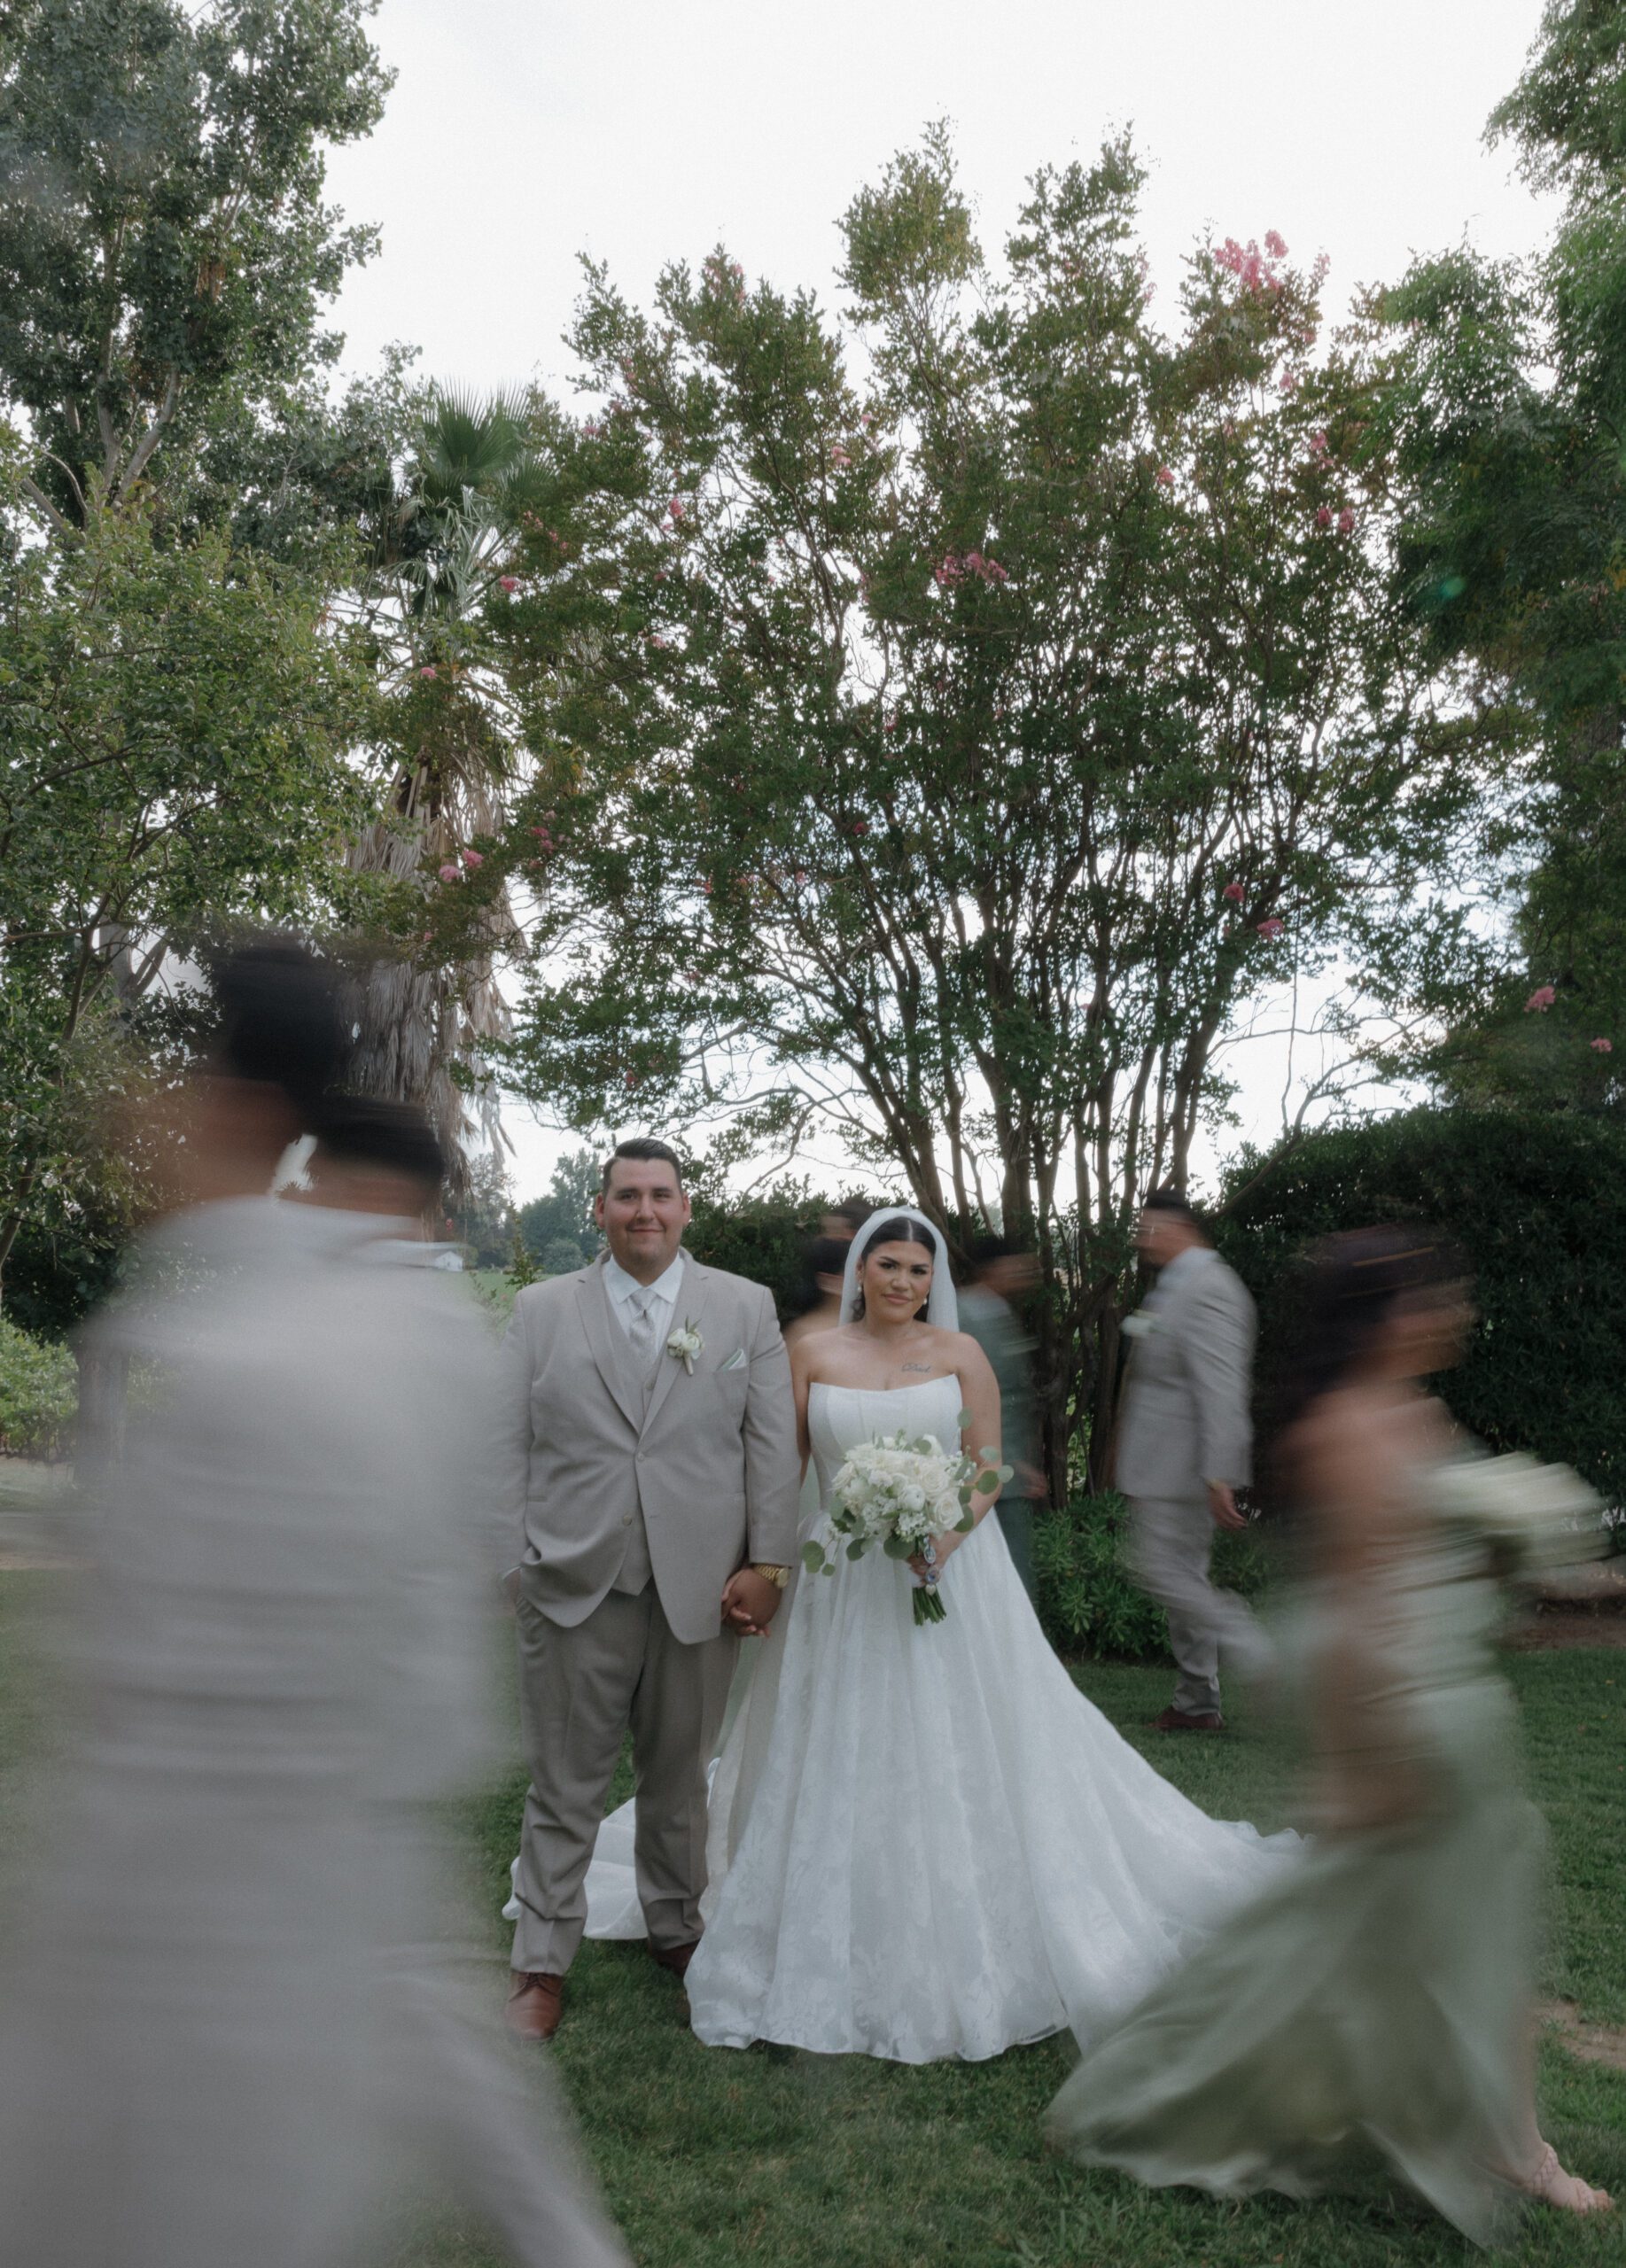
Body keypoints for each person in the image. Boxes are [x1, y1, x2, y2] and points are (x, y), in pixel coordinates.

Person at [0, 944, 628, 2268]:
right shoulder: (409, 1327)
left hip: (212, 1897)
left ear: (224, 1104)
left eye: (159, 1080)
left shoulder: (238, 1355)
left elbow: (163, 1685)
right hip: (356, 1815)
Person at [1047, 1227, 1612, 2241]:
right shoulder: (1347, 1431)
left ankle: (1487, 2126)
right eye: (1431, 1296)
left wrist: (1514, 1559)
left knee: (1422, 1921)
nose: (1451, 1312)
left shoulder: (1417, 1414)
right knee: (1372, 1924)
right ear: (1382, 1317)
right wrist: (1359, 1762)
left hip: (1445, 1679)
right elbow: (1355, 1609)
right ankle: (1502, 2141)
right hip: (1399, 1699)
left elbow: (1437, 1553)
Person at [679, 1208, 1297, 2064]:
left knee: (960, 1737)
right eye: (888, 1266)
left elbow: (987, 1464)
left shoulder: (961, 1356)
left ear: (932, 1283)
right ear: (860, 1270)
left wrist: (943, 1533)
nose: (902, 1283)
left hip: (947, 1572)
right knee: (834, 1733)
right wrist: (764, 1564)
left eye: (917, 1272)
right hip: (839, 1582)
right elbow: (778, 1473)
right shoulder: (813, 1355)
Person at [498, 1138, 800, 2044]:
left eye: (659, 1194)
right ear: (598, 1209)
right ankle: (541, 1963)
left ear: (685, 1206)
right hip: (571, 1580)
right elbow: (499, 1444)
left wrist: (769, 1562)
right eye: (625, 1194)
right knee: (563, 1783)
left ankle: (677, 1932)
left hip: (701, 1587)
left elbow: (771, 1446)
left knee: (679, 1781)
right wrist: (507, 1556)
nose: (644, 1210)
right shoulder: (540, 1310)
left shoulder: (742, 1308)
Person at [1116, 1187, 1272, 1731]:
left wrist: (1221, 1471)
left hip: (1183, 1469)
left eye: (1147, 1226)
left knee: (1159, 1571)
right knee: (1183, 1582)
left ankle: (1256, 1648)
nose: (1140, 1237)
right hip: (1159, 1464)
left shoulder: (1211, 1289)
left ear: (1175, 1227)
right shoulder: (1173, 1285)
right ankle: (1197, 1703)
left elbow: (1222, 1387)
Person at [958, 1231, 1045, 1604]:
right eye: (1017, 1264)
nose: (1024, 1273)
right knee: (1002, 1572)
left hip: (1005, 1465)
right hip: (978, 1466)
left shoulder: (1000, 1311)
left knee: (1010, 1567)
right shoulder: (964, 1312)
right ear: (994, 1269)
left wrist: (1020, 1460)